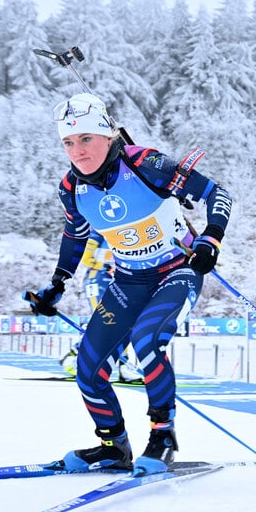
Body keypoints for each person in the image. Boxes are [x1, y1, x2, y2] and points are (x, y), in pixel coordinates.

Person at [27, 92, 232, 476]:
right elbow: (76, 234)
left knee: (147, 341)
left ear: (107, 135)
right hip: (128, 280)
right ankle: (113, 447)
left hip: (176, 270)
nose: (78, 151)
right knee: (88, 367)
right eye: (68, 142)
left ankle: (163, 435)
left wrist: (210, 239)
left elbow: (217, 194)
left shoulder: (144, 164)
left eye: (86, 139)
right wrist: (58, 283)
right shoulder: (71, 187)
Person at [58, 229, 142, 383]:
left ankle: (125, 367)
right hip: (96, 280)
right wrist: (106, 267)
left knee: (123, 325)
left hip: (115, 282)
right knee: (104, 324)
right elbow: (86, 258)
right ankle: (71, 357)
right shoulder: (99, 230)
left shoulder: (125, 230)